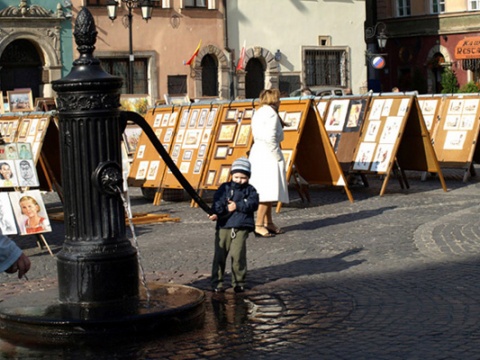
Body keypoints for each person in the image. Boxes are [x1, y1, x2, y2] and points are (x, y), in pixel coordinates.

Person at [208, 157, 259, 293]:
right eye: (236, 177)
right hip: (224, 226)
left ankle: (239, 282)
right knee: (219, 255)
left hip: (241, 226)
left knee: (238, 255)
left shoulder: (250, 190)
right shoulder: (224, 188)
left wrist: (237, 206)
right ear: (231, 175)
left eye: (243, 177)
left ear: (248, 177)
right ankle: (217, 283)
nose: (239, 180)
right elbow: (217, 202)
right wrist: (215, 213)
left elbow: (253, 204)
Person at [248, 89, 289, 237]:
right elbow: (270, 137)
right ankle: (259, 224)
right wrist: (277, 156)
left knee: (268, 190)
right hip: (268, 154)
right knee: (267, 190)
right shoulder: (271, 114)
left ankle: (268, 222)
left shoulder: (259, 111)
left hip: (258, 151)